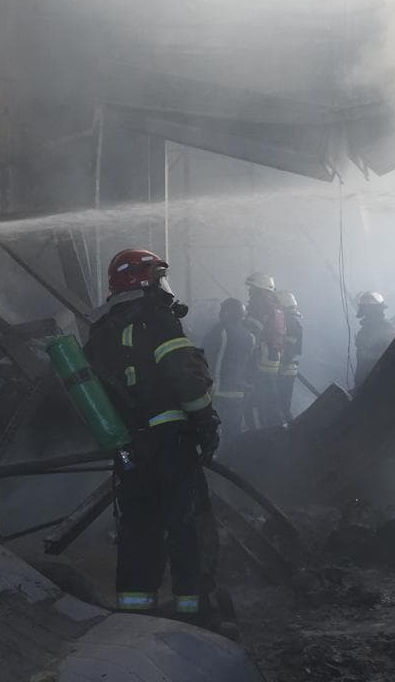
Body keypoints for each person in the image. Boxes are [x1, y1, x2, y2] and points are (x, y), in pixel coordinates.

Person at [83, 249, 221, 622]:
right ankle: (195, 612)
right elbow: (186, 380)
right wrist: (207, 421)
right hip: (171, 443)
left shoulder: (100, 331)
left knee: (138, 529)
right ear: (143, 281)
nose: (164, 286)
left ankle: (135, 614)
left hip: (129, 451)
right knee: (187, 524)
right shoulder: (155, 319)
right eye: (159, 278)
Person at [202, 298, 255, 442]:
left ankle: (216, 461)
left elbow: (205, 355)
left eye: (222, 310)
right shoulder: (250, 336)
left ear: (227, 313)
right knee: (233, 433)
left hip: (217, 392)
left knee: (212, 432)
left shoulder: (220, 331)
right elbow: (249, 365)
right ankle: (232, 460)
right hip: (239, 392)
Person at [243, 271, 286, 428]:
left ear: (260, 290)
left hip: (260, 357)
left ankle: (259, 433)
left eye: (252, 288)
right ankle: (276, 427)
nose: (249, 291)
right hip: (273, 357)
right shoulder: (276, 307)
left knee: (256, 398)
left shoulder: (260, 305)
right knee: (269, 396)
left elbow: (253, 329)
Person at [353, 291, 395, 390]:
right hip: (363, 384)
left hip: (378, 385)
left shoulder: (386, 329)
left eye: (367, 308)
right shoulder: (364, 331)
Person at [276, 289, 304, 422]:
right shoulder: (292, 319)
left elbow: (288, 347)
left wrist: (281, 362)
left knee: (281, 406)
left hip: (285, 368)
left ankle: (288, 429)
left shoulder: (290, 321)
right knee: (282, 405)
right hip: (287, 367)